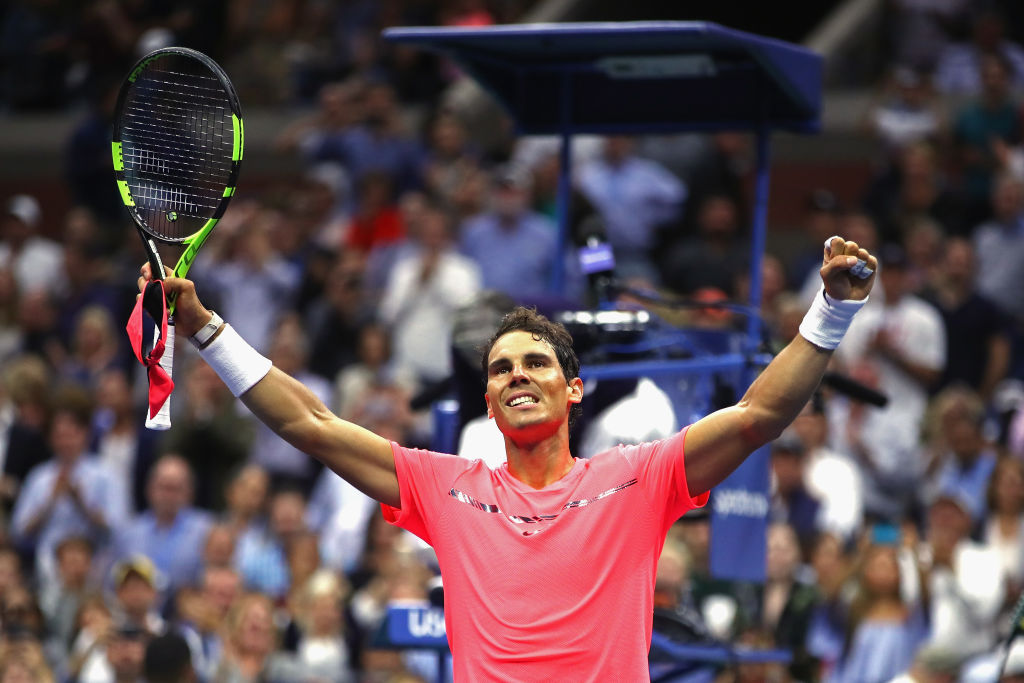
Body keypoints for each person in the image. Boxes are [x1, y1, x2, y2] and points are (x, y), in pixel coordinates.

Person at [138, 235, 877, 680]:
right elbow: (313, 424)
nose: (516, 374)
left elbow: (760, 414)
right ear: (489, 402)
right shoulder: (445, 487)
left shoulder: (638, 478)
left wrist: (831, 309)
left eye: (535, 362)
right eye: (500, 369)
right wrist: (204, 329)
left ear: (574, 387)